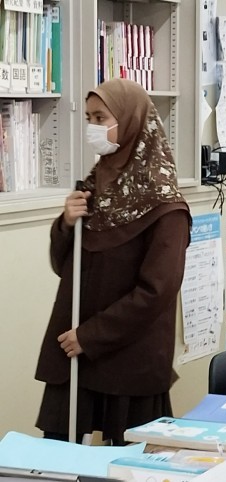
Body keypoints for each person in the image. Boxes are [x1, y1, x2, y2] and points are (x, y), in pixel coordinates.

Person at [34, 78, 191, 444]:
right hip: (76, 353)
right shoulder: (93, 188)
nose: (93, 127)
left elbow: (157, 291)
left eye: (101, 118)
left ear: (130, 120)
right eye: (88, 118)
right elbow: (64, 268)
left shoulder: (166, 206)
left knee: (124, 460)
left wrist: (90, 336)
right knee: (59, 458)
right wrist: (66, 224)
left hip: (126, 358)